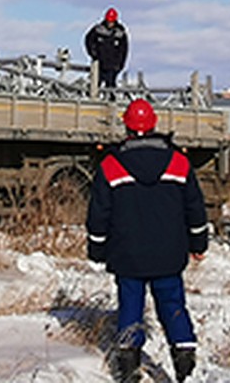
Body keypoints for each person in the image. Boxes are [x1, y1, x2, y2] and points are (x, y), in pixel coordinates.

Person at [86, 97, 208, 383]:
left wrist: (97, 250)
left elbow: (98, 214)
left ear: (126, 126)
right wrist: (198, 245)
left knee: (130, 308)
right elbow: (195, 207)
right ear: (154, 124)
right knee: (173, 305)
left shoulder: (111, 165)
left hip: (127, 256)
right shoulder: (178, 162)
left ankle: (128, 371)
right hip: (169, 255)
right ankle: (185, 366)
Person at [84, 7, 129, 91]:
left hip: (113, 66)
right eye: (108, 21)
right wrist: (93, 54)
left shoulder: (120, 33)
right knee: (95, 85)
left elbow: (124, 50)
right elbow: (88, 40)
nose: (110, 23)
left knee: (111, 87)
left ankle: (111, 101)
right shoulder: (98, 30)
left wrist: (120, 65)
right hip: (99, 64)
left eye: (111, 21)